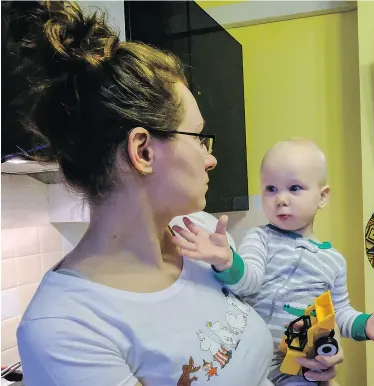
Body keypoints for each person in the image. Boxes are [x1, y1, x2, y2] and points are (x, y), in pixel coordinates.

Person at [9, 2, 342, 385]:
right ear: (143, 151)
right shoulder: (65, 327)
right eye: (198, 138)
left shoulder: (197, 233)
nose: (211, 158)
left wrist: (304, 360)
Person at [171, 138, 374, 385]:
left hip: (300, 366)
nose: (281, 199)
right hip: (253, 360)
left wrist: (366, 325)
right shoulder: (260, 238)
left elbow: (340, 314)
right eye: (271, 189)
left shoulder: (333, 261)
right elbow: (248, 282)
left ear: (322, 197)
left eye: (294, 188)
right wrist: (226, 261)